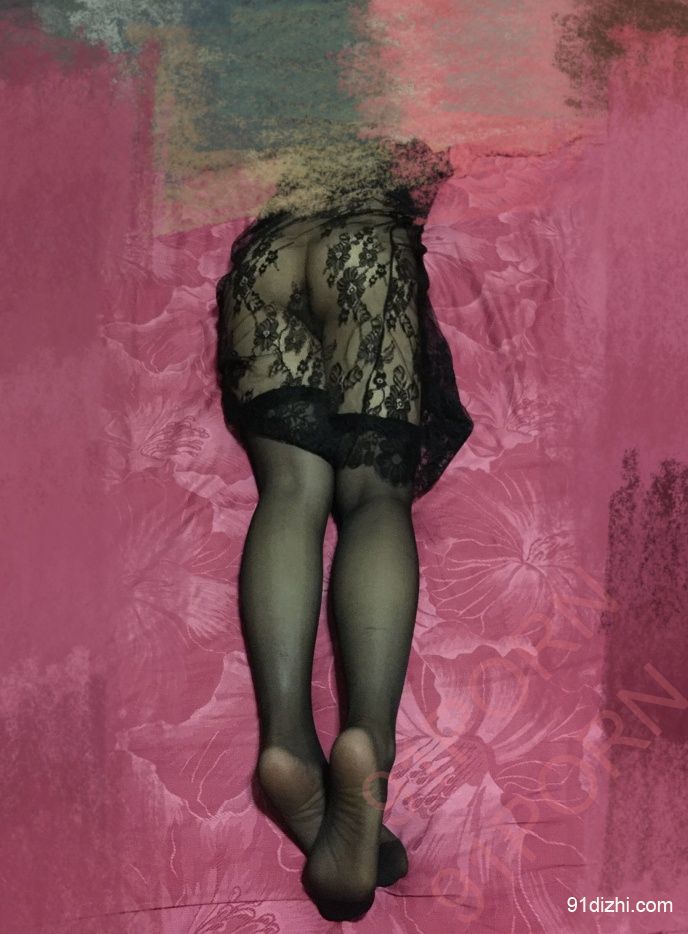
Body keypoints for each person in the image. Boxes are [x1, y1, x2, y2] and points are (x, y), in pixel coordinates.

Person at [215, 136, 474, 921]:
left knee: (291, 491)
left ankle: (287, 738)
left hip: (266, 257)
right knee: (373, 500)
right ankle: (368, 740)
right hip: (364, 243)